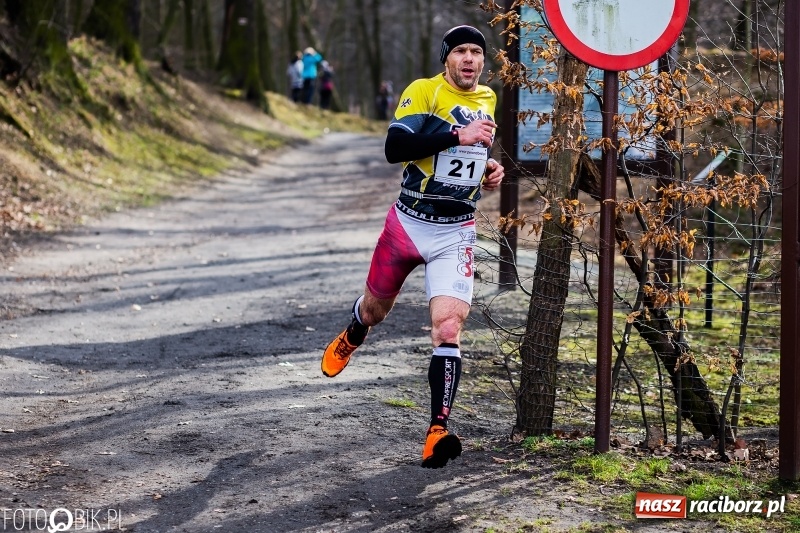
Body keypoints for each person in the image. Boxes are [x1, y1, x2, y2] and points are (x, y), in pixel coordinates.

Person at [320, 25, 504, 469]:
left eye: (476, 53)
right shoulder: (423, 92)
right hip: (407, 225)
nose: (469, 59)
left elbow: (463, 161)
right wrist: (456, 138)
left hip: (456, 230)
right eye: (460, 51)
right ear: (446, 58)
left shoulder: (488, 99)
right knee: (375, 309)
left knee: (447, 330)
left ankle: (437, 431)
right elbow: (395, 147)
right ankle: (356, 329)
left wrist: (488, 168)